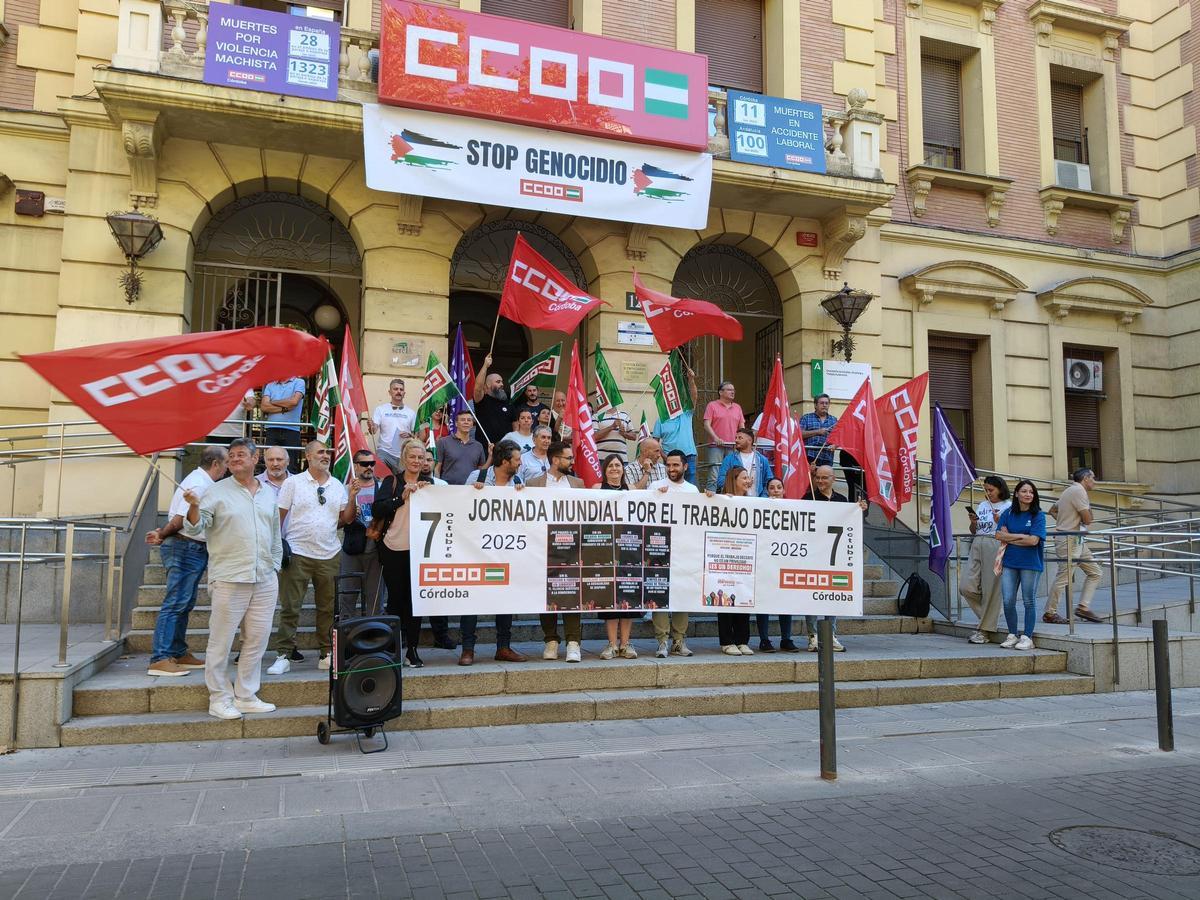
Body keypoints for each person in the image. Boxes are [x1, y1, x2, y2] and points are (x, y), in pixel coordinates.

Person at [181, 438, 281, 721]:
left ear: (254, 458)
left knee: (257, 641)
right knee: (220, 642)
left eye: (241, 455)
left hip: (264, 578)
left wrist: (274, 567)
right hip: (229, 578)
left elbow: (275, 533)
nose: (235, 459)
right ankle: (219, 698)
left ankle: (246, 695)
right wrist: (193, 506)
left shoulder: (267, 493)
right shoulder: (214, 492)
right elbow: (196, 525)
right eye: (231, 456)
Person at [267, 441, 355, 675]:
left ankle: (326, 653)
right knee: (290, 607)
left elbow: (345, 519)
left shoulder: (337, 485)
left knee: (327, 607)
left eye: (327, 452)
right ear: (308, 457)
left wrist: (353, 495)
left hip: (329, 553)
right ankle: (284, 654)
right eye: (321, 452)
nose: (326, 456)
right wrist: (276, 547)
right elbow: (278, 517)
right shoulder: (292, 483)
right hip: (297, 552)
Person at [144, 446, 228, 676]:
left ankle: (178, 652)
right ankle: (160, 657)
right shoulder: (199, 483)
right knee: (176, 603)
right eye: (226, 463)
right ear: (216, 464)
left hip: (191, 547)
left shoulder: (202, 481)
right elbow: (181, 518)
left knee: (184, 602)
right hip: (185, 547)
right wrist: (162, 534)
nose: (227, 468)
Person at [461, 441, 529, 666]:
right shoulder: (476, 478)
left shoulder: (519, 482)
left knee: (505, 600)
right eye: (517, 460)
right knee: (471, 602)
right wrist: (472, 495)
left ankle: (503, 647)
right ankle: (468, 649)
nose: (520, 464)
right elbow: (460, 507)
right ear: (504, 461)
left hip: (505, 552)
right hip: (477, 551)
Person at [373, 439, 436, 667]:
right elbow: (377, 509)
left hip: (420, 551)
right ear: (404, 458)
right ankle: (393, 648)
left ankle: (412, 649)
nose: (417, 461)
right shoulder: (392, 481)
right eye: (413, 457)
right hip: (392, 548)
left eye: (421, 458)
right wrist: (401, 497)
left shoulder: (429, 483)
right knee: (396, 601)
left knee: (415, 602)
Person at [527, 442, 585, 663]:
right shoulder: (534, 484)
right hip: (543, 549)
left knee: (572, 596)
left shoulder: (578, 484)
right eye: (568, 458)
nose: (572, 462)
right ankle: (550, 640)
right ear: (555, 460)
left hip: (572, 550)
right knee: (546, 596)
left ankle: (573, 642)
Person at [803, 465, 868, 652]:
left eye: (825, 478)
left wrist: (859, 508)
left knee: (833, 595)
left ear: (833, 479)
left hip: (835, 558)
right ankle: (813, 636)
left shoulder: (842, 501)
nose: (821, 481)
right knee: (811, 596)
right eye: (818, 478)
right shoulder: (808, 498)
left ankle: (831, 635)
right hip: (813, 556)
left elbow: (851, 522)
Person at [649, 450, 697, 657]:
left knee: (682, 594)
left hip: (684, 549)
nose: (671, 469)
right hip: (659, 548)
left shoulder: (693, 490)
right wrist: (654, 496)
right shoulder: (655, 487)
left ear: (685, 466)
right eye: (668, 465)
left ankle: (679, 640)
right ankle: (662, 641)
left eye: (676, 465)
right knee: (659, 594)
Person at [595, 454, 638, 659]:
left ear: (623, 469)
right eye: (610, 465)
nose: (614, 469)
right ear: (605, 469)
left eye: (618, 465)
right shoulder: (596, 489)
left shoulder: (633, 490)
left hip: (629, 550)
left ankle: (626, 644)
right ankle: (611, 644)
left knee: (627, 597)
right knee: (609, 598)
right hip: (605, 550)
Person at [996, 479, 1047, 651]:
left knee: (1028, 601)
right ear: (1016, 493)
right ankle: (1012, 634)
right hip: (1010, 562)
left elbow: (1033, 541)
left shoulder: (1038, 515)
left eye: (1031, 492)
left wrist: (1010, 537)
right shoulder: (1008, 513)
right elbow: (998, 535)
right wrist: (1021, 537)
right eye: (1024, 491)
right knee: (1008, 600)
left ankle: (1027, 637)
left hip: (1031, 564)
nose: (1028, 495)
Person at [1046, 468, 1102, 624]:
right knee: (1064, 576)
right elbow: (1088, 520)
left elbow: (1052, 510)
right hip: (1069, 539)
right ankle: (1049, 612)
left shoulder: (1069, 491)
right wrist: (1068, 525)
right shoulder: (1079, 491)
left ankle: (1083, 607)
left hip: (1076, 539)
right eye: (1093, 478)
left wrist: (1064, 522)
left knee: (1095, 572)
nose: (1094, 481)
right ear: (1085, 478)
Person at [711, 467, 756, 655]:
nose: (748, 480)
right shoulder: (721, 500)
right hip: (723, 555)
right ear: (734, 479)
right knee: (725, 597)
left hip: (745, 556)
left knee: (743, 596)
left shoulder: (753, 502)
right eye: (744, 477)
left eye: (748, 478)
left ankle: (742, 640)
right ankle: (727, 641)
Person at [960, 476, 1011, 643]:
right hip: (978, 542)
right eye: (987, 490)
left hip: (995, 542)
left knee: (991, 587)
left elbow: (1010, 530)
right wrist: (973, 522)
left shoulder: (1008, 506)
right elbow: (974, 530)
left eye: (991, 490)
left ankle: (984, 631)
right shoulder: (982, 505)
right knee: (966, 586)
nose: (988, 493)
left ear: (1000, 489)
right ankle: (990, 615)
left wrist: (1000, 520)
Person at [339, 449, 385, 617]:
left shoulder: (382, 487)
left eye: (372, 463)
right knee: (347, 595)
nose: (369, 467)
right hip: (353, 546)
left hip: (376, 548)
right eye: (364, 464)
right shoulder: (344, 489)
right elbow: (345, 520)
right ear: (356, 466)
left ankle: (374, 635)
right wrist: (352, 498)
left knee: (375, 597)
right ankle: (346, 634)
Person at [757, 476, 799, 653]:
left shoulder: (793, 509)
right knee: (763, 602)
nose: (775, 490)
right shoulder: (759, 508)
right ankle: (764, 640)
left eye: (778, 487)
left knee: (785, 602)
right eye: (772, 488)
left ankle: (786, 639)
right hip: (764, 562)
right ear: (767, 491)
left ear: (784, 490)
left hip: (785, 562)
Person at [652, 367, 699, 485]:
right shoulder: (660, 420)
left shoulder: (685, 414)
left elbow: (694, 397)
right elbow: (655, 442)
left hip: (689, 457)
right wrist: (664, 456)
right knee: (670, 487)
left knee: (690, 488)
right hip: (670, 460)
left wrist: (691, 380)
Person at [702, 381, 745, 490]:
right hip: (716, 446)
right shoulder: (712, 405)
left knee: (732, 474)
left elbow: (741, 427)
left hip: (733, 446)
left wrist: (742, 440)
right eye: (729, 389)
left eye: (733, 390)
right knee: (714, 475)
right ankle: (710, 499)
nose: (733, 392)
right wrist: (716, 438)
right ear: (721, 392)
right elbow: (706, 424)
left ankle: (728, 496)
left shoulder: (737, 407)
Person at [370, 379, 416, 478]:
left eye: (401, 389)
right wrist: (371, 426)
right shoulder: (381, 409)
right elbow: (373, 430)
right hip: (384, 452)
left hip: (403, 454)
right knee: (378, 477)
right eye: (395, 389)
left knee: (403, 481)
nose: (398, 391)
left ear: (404, 393)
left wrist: (410, 435)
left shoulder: (411, 413)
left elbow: (417, 436)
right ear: (390, 392)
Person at [258, 376, 306, 471]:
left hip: (292, 430)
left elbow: (294, 401)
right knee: (270, 463)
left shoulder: (299, 382)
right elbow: (264, 407)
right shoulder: (270, 384)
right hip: (272, 429)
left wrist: (273, 402)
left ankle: (291, 486)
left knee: (291, 465)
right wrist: (284, 408)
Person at [714, 427, 772, 497]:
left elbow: (769, 481)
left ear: (750, 440)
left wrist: (763, 497)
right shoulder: (729, 459)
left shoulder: (762, 460)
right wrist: (740, 483)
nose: (736, 440)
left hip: (757, 502)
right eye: (736, 438)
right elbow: (720, 480)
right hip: (736, 501)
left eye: (740, 438)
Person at [436, 410, 488, 485]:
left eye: (469, 420)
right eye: (463, 420)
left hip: (470, 490)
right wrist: (437, 486)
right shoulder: (443, 442)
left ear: (472, 424)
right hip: (448, 489)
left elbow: (481, 470)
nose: (466, 422)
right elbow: (437, 468)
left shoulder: (478, 446)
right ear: (456, 423)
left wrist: (490, 456)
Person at [472, 354, 512, 452]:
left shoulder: (507, 403)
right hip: (485, 449)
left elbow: (515, 426)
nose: (502, 384)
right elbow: (477, 388)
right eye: (498, 382)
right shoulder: (482, 400)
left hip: (505, 450)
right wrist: (485, 366)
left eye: (502, 382)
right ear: (488, 385)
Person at [799, 394, 838, 468]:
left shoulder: (834, 420)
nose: (824, 405)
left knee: (825, 479)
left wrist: (835, 445)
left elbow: (839, 437)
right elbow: (799, 434)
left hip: (827, 456)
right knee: (810, 479)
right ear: (815, 405)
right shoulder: (806, 418)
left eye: (827, 403)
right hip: (809, 456)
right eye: (822, 403)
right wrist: (817, 432)